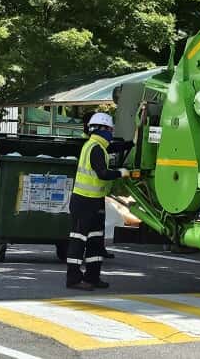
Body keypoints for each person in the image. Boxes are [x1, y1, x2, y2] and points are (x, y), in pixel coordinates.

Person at [66, 112, 129, 290]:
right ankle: (74, 279)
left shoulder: (98, 146)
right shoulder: (94, 148)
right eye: (109, 130)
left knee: (95, 241)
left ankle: (93, 277)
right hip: (83, 202)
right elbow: (102, 173)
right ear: (103, 129)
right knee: (78, 240)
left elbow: (113, 147)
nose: (111, 133)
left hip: (95, 202)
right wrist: (120, 173)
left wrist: (129, 144)